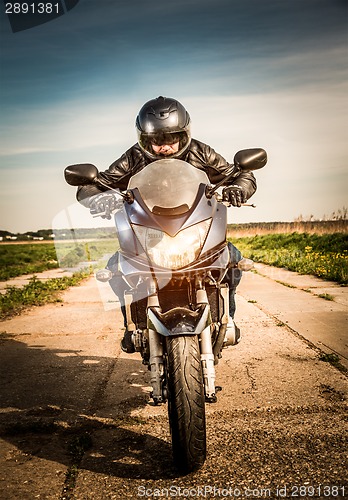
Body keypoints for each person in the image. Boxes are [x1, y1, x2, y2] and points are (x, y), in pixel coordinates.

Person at [76, 96, 257, 352]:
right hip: (150, 232)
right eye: (156, 141)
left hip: (192, 227)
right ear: (144, 139)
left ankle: (228, 319)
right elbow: (94, 183)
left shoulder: (200, 151)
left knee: (232, 259)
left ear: (184, 135)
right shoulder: (133, 157)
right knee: (116, 267)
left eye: (171, 139)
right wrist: (99, 197)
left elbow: (240, 173)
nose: (164, 147)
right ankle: (130, 325)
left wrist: (239, 188)